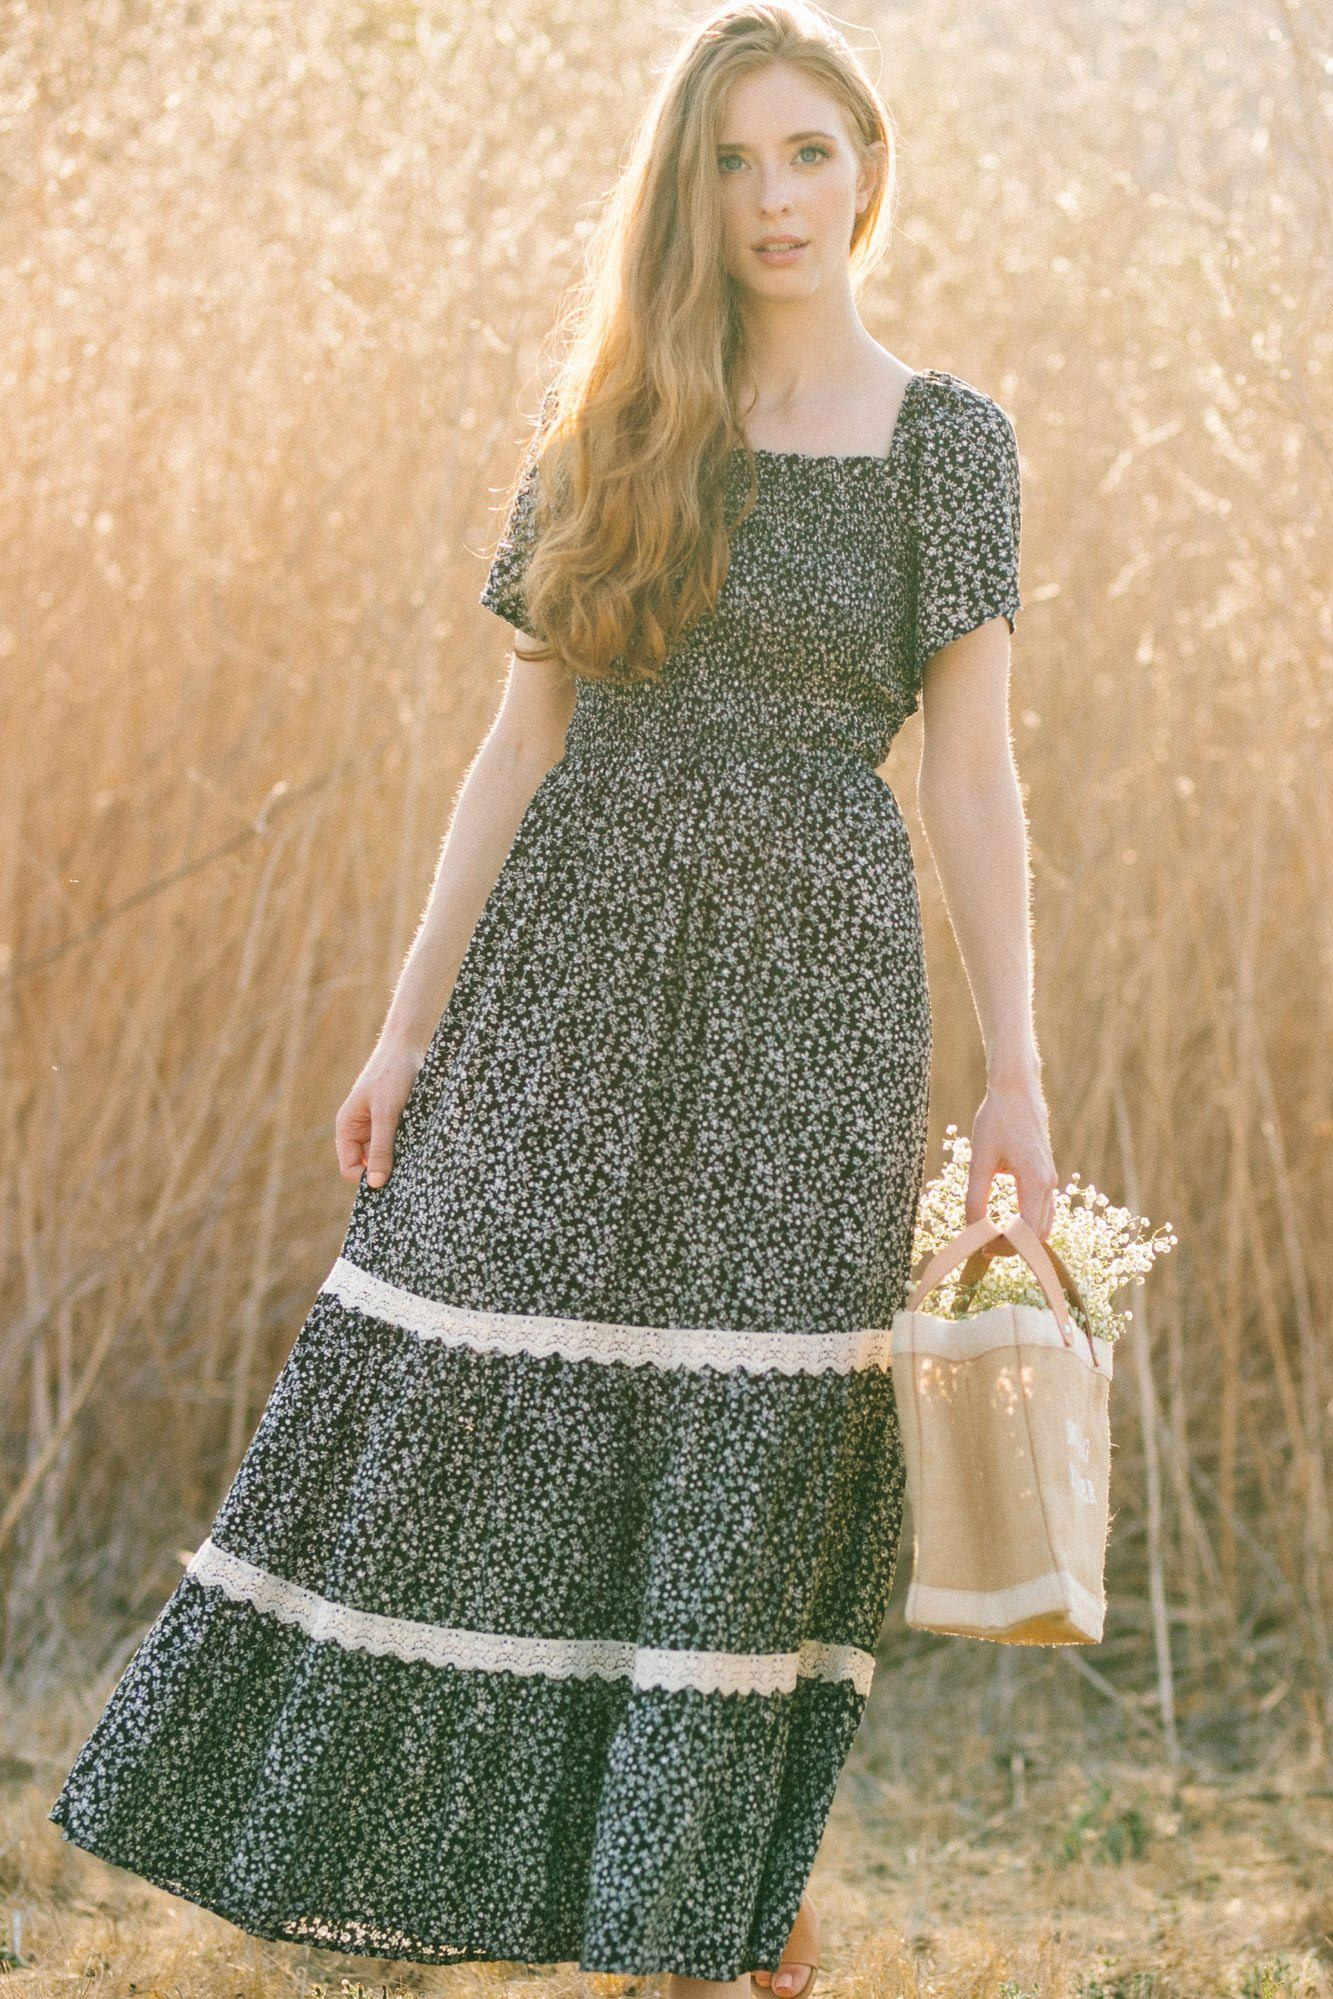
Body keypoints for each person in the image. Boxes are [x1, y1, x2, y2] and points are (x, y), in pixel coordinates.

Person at [47, 5, 1059, 1996]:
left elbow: (972, 773)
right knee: (481, 1385)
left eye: (806, 152)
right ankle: (505, 1868)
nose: (773, 196)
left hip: (814, 992)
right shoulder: (615, 427)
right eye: (730, 161)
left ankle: (714, 1914)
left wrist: (1016, 1071)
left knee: (756, 1432)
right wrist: (405, 1027)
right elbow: (513, 752)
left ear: (867, 166)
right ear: (686, 192)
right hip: (568, 964)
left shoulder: (950, 442)